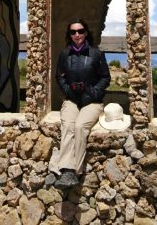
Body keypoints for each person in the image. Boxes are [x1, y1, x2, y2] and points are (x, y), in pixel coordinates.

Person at [53, 19, 111, 189]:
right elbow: (59, 77)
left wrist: (92, 92)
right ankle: (66, 170)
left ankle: (75, 171)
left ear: (86, 33)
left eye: (80, 31)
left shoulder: (96, 54)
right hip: (72, 99)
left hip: (92, 101)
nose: (77, 35)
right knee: (68, 126)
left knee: (80, 127)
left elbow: (105, 78)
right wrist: (68, 91)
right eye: (73, 32)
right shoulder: (65, 54)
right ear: (69, 35)